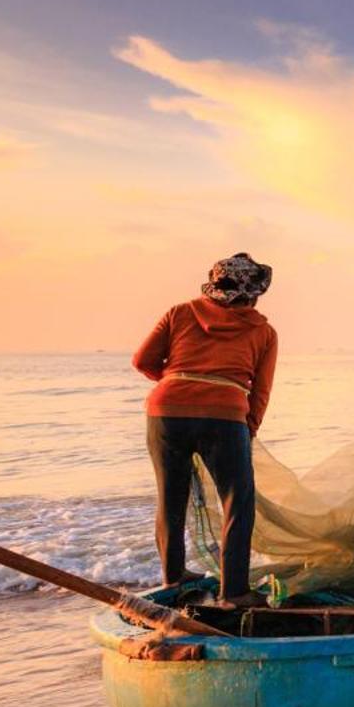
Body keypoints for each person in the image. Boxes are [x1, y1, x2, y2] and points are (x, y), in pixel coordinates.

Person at [132, 252, 278, 608]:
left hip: (166, 411)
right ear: (253, 292)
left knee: (170, 498)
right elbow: (260, 390)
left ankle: (174, 577)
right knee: (236, 502)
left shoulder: (179, 313)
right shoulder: (263, 331)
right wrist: (249, 428)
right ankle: (235, 592)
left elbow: (142, 361)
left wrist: (176, 382)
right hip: (225, 414)